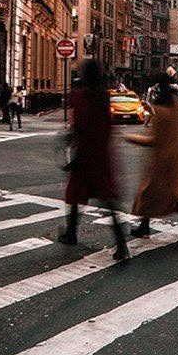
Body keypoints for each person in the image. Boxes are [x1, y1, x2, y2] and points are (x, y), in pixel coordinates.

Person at [58, 59, 128, 262]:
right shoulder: (104, 96)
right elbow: (106, 125)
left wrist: (72, 147)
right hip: (101, 155)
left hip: (85, 156)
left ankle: (71, 234)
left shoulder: (80, 97)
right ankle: (121, 243)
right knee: (108, 200)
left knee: (75, 197)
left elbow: (78, 127)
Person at [126, 71, 178, 251]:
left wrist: (132, 138)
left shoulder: (160, 109)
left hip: (163, 162)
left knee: (150, 194)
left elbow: (155, 140)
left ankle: (146, 227)